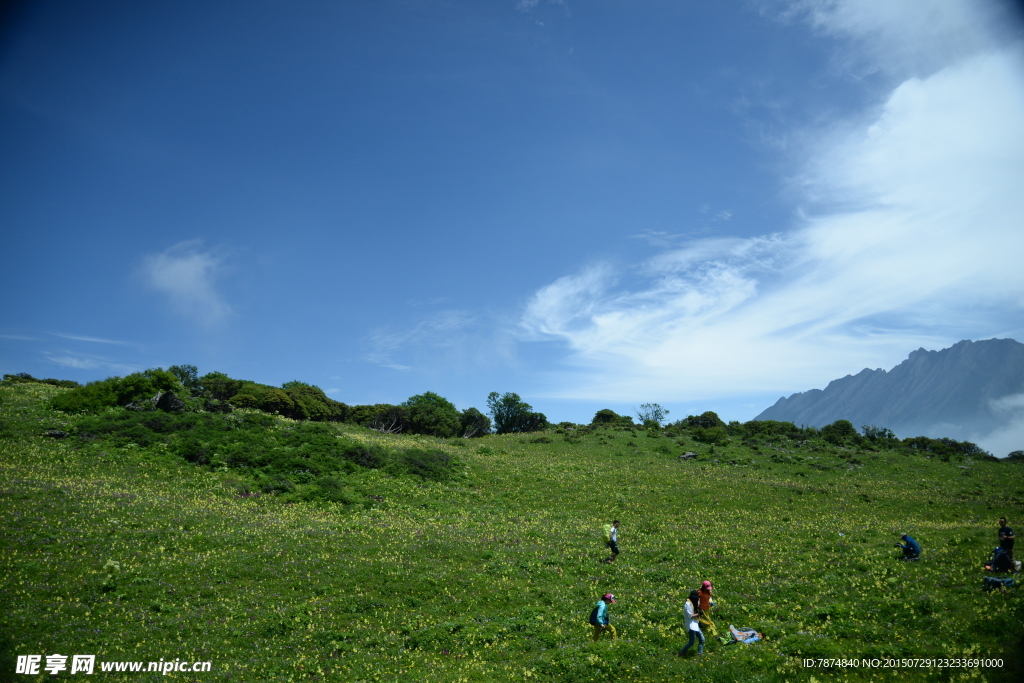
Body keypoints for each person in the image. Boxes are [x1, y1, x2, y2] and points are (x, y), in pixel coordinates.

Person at [678, 590, 704, 656]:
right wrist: (699, 614)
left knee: (702, 639)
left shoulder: (694, 603)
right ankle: (681, 653)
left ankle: (700, 653)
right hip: (691, 625)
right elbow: (690, 616)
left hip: (695, 624)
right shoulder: (688, 604)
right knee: (691, 642)